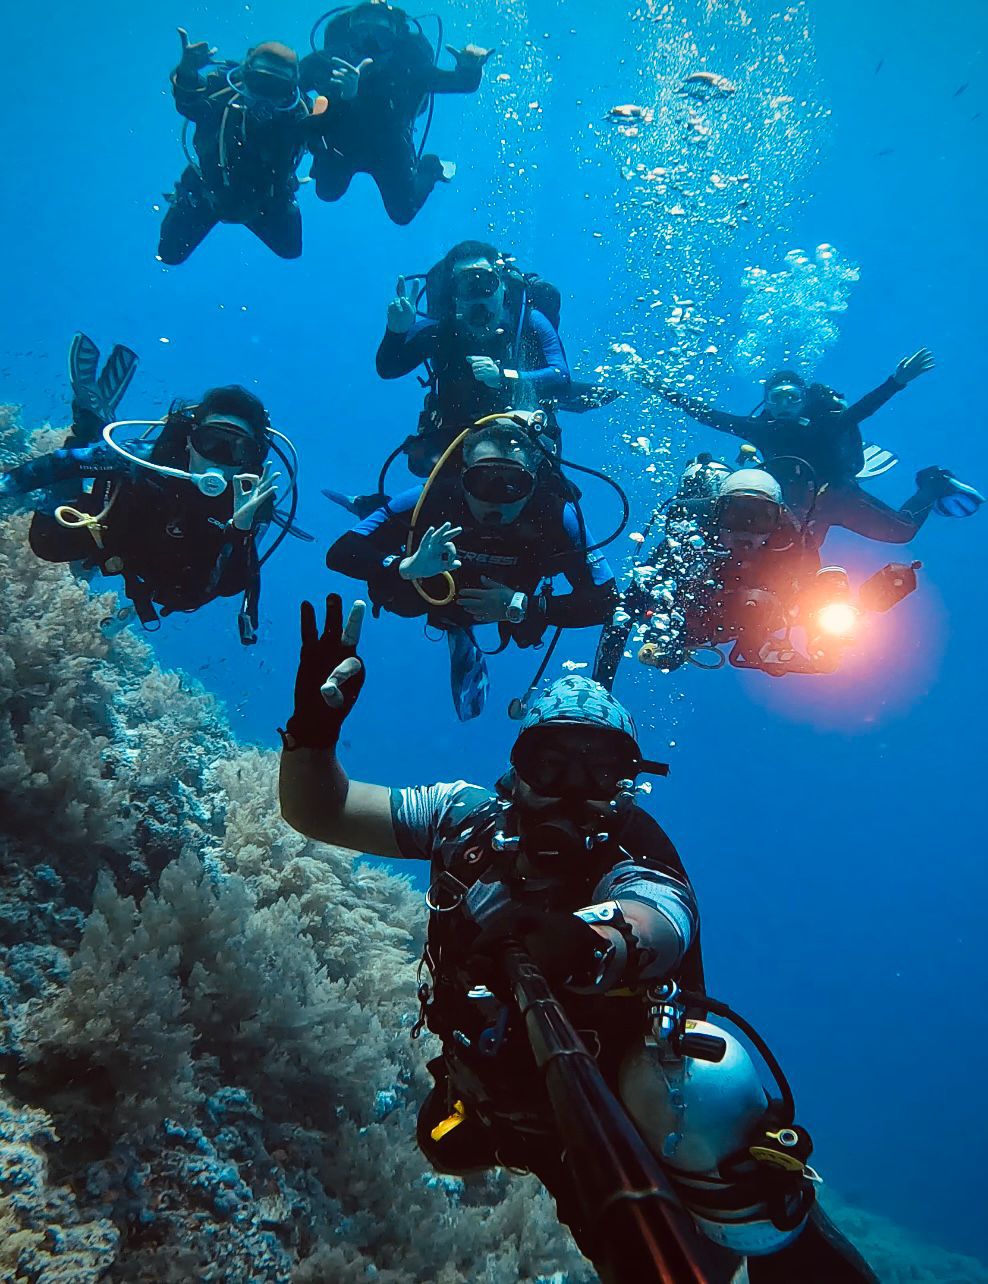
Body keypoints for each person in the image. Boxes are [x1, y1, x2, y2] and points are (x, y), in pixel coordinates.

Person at [277, 600, 880, 1284]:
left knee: (677, 1249)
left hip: (624, 1123)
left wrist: (584, 940)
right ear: (514, 772)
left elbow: (658, 921)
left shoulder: (638, 851)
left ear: (628, 786)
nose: (571, 792)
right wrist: (312, 731)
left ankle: (778, 1232)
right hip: (506, 1088)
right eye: (550, 763)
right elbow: (319, 809)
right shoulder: (464, 820)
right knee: (444, 1144)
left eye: (599, 772)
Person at [325, 414, 616, 719]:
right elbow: (341, 552)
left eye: (513, 484)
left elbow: (607, 600)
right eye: (481, 481)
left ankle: (462, 621)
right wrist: (404, 567)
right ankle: (365, 505)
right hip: (428, 592)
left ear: (533, 483)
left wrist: (527, 605)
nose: (495, 500)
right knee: (398, 575)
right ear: (462, 478)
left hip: (508, 604)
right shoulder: (433, 496)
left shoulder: (555, 515)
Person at [0, 347, 282, 644]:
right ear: (189, 440)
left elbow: (221, 587)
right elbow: (63, 464)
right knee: (48, 544)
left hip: (172, 578)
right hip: (111, 538)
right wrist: (6, 485)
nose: (219, 459)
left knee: (184, 600)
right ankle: (89, 425)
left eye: (238, 449)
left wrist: (240, 530)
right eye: (210, 442)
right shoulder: (144, 458)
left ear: (250, 459)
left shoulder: (252, 502)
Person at [644, 350, 983, 546]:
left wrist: (896, 382)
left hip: (839, 495)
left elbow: (862, 409)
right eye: (777, 398)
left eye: (793, 396)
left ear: (803, 399)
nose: (785, 404)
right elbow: (707, 415)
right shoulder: (760, 429)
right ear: (767, 403)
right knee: (793, 558)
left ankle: (934, 482)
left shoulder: (825, 424)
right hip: (795, 507)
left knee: (902, 533)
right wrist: (660, 387)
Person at [594, 461, 818, 687]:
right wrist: (602, 684)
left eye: (760, 517)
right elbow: (624, 609)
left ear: (777, 521)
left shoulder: (789, 549)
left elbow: (810, 600)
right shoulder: (686, 547)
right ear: (717, 513)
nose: (745, 529)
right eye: (736, 514)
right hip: (694, 621)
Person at [376, 241, 572, 476]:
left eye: (485, 283)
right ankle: (371, 505)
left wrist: (503, 378)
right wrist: (395, 332)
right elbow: (388, 368)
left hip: (522, 449)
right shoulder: (440, 331)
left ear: (502, 286)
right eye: (467, 286)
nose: (478, 298)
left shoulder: (528, 322)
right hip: (455, 448)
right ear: (454, 294)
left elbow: (561, 378)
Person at [301, 2, 492, 224]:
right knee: (327, 193)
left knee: (402, 213)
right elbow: (289, 86)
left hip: (390, 145)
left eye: (381, 35)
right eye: (362, 32)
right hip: (341, 142)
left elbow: (461, 83)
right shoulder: (328, 61)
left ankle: (431, 166)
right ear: (350, 34)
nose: (370, 43)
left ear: (395, 38)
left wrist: (470, 68)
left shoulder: (410, 67)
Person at [159, 31, 316, 264]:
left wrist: (344, 99)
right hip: (208, 189)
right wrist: (188, 71)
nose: (264, 98)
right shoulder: (221, 92)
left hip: (268, 197)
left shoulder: (299, 111)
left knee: (290, 249)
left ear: (290, 89)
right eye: (259, 84)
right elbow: (187, 102)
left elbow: (324, 137)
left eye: (275, 89)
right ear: (245, 73)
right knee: (169, 254)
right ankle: (190, 198)